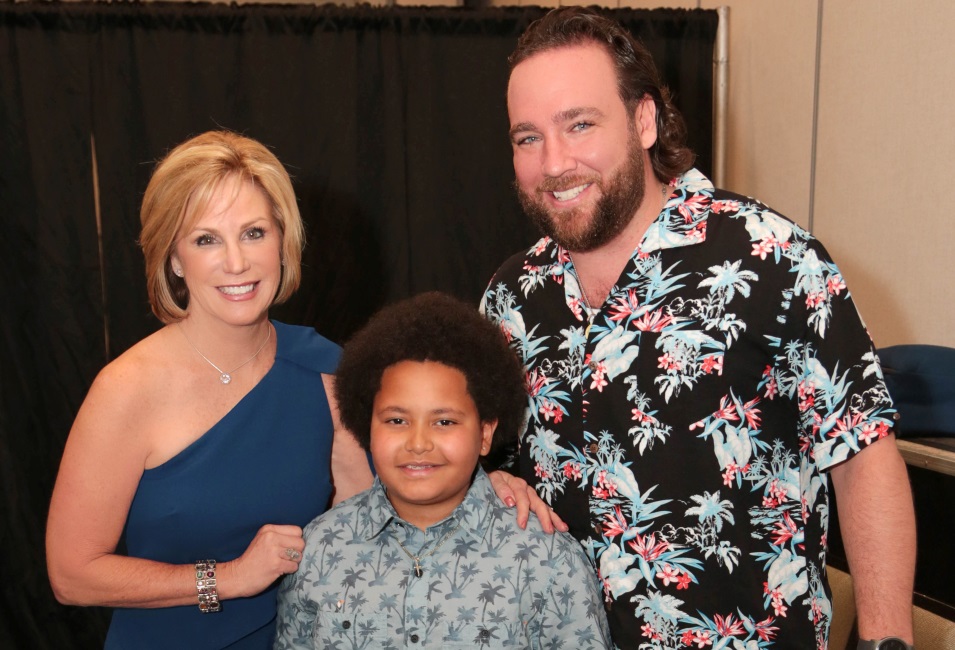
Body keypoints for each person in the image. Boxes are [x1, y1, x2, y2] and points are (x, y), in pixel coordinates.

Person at [481, 7, 916, 650]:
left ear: (644, 120)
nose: (554, 162)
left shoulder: (772, 260)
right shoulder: (511, 297)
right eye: (527, 138)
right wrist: (487, 482)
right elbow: (480, 457)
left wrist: (885, 640)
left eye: (580, 124)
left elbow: (862, 455)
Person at [45, 131, 548, 649]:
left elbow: (385, 518)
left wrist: (486, 489)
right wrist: (227, 578)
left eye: (254, 233)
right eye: (206, 240)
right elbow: (72, 574)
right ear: (174, 258)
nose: (236, 262)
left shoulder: (325, 370)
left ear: (282, 242)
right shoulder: (127, 389)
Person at [274, 292, 613, 649]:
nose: (418, 443)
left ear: (485, 433)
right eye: (397, 420)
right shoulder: (320, 549)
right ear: (366, 426)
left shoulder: (547, 559)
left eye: (444, 422)